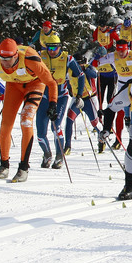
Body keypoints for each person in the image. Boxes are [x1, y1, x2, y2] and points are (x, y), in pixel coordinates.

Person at [0, 38, 59, 183]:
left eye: (8, 59)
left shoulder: (30, 58)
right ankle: (4, 165)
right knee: (5, 124)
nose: (5, 63)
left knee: (26, 121)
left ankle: (23, 167)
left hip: (34, 84)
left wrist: (53, 104)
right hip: (13, 86)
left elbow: (51, 82)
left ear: (16, 55)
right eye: (2, 59)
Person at [38, 37, 83, 169]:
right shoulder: (41, 55)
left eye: (54, 48)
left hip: (60, 96)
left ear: (60, 47)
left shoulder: (67, 58)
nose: (51, 51)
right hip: (44, 96)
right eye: (49, 48)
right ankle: (47, 154)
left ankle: (59, 156)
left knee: (56, 127)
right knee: (40, 132)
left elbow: (80, 75)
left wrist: (79, 94)